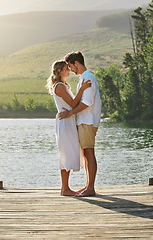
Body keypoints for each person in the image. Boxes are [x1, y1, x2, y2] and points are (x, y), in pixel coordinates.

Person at [59, 51, 101, 197]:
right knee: (86, 154)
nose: (70, 69)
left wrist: (70, 113)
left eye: (71, 66)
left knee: (89, 153)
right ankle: (88, 186)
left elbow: (87, 102)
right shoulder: (84, 78)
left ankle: (90, 188)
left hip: (87, 120)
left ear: (76, 63)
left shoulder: (87, 78)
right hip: (84, 120)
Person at [46, 60, 91, 196]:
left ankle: (66, 188)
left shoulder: (64, 85)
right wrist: (82, 89)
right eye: (67, 68)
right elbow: (72, 103)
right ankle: (65, 189)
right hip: (65, 122)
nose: (69, 70)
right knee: (66, 153)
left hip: (68, 121)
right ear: (60, 71)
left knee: (69, 152)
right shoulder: (60, 86)